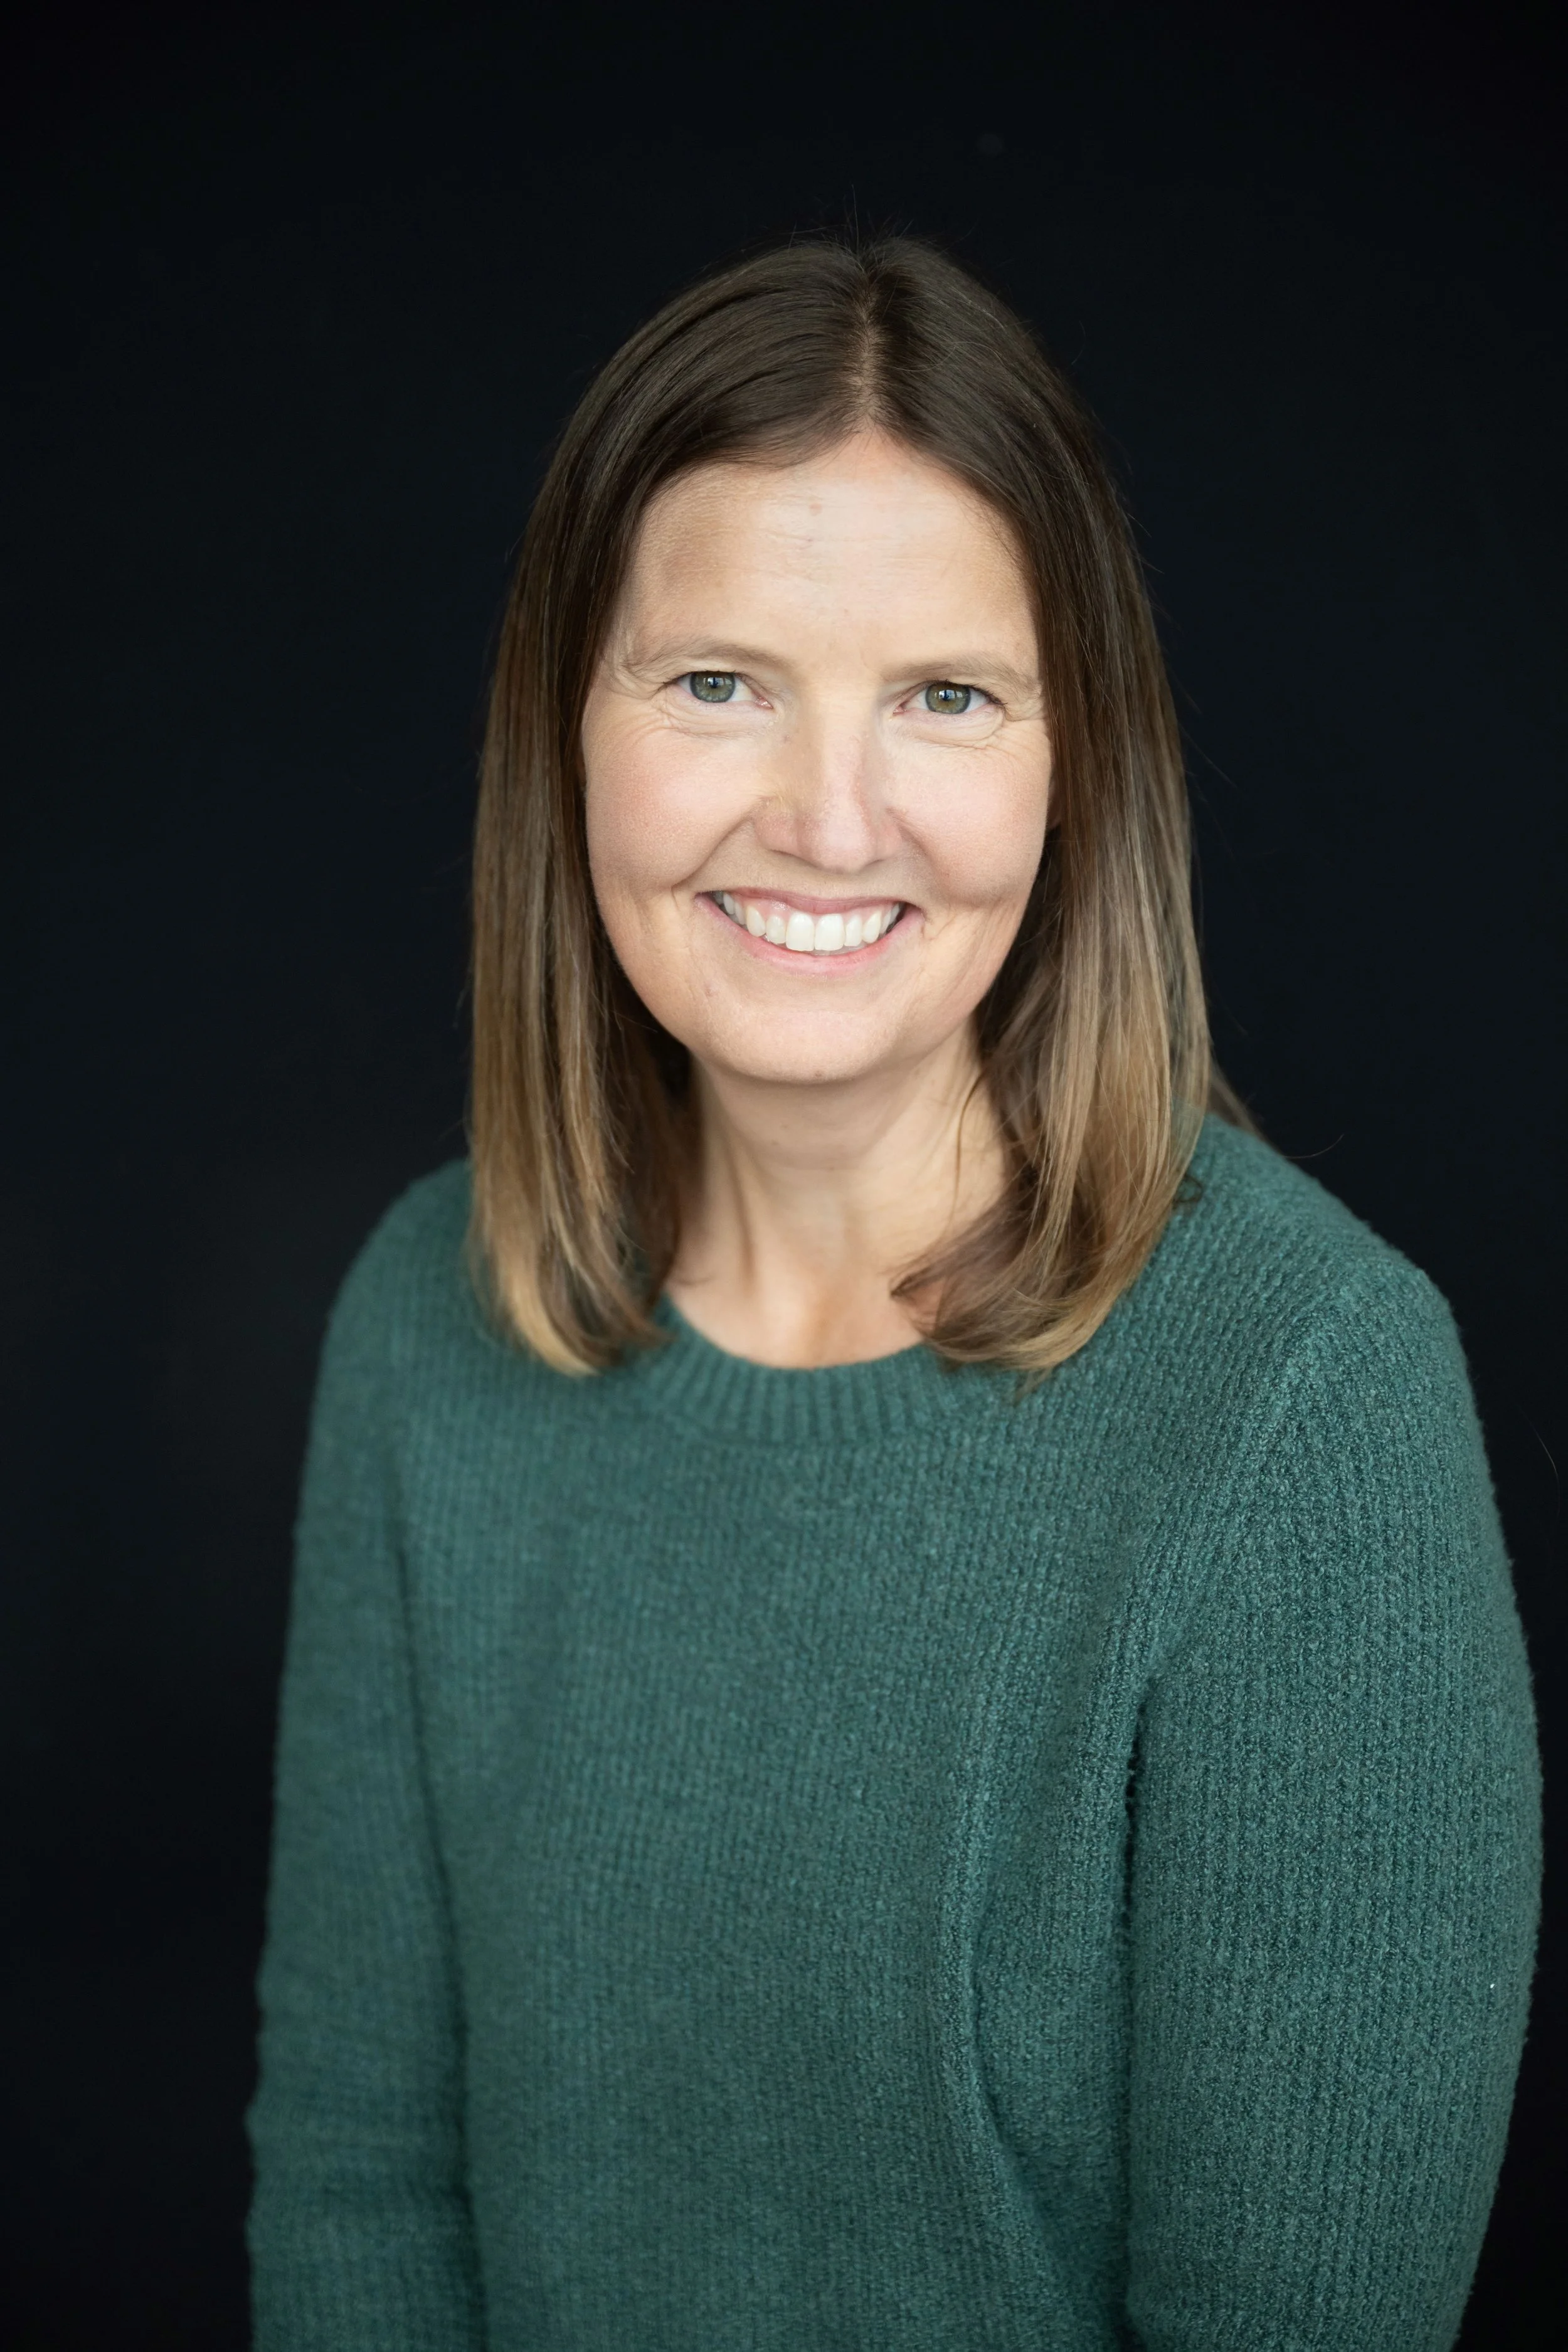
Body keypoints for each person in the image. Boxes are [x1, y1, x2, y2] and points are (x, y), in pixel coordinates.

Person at [246, 235, 1540, 2349]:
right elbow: (363, 2188)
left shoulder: (1304, 1394)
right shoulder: (428, 1320)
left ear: (1073, 762)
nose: (828, 818)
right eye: (716, 681)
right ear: (566, 727)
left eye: (945, 695)